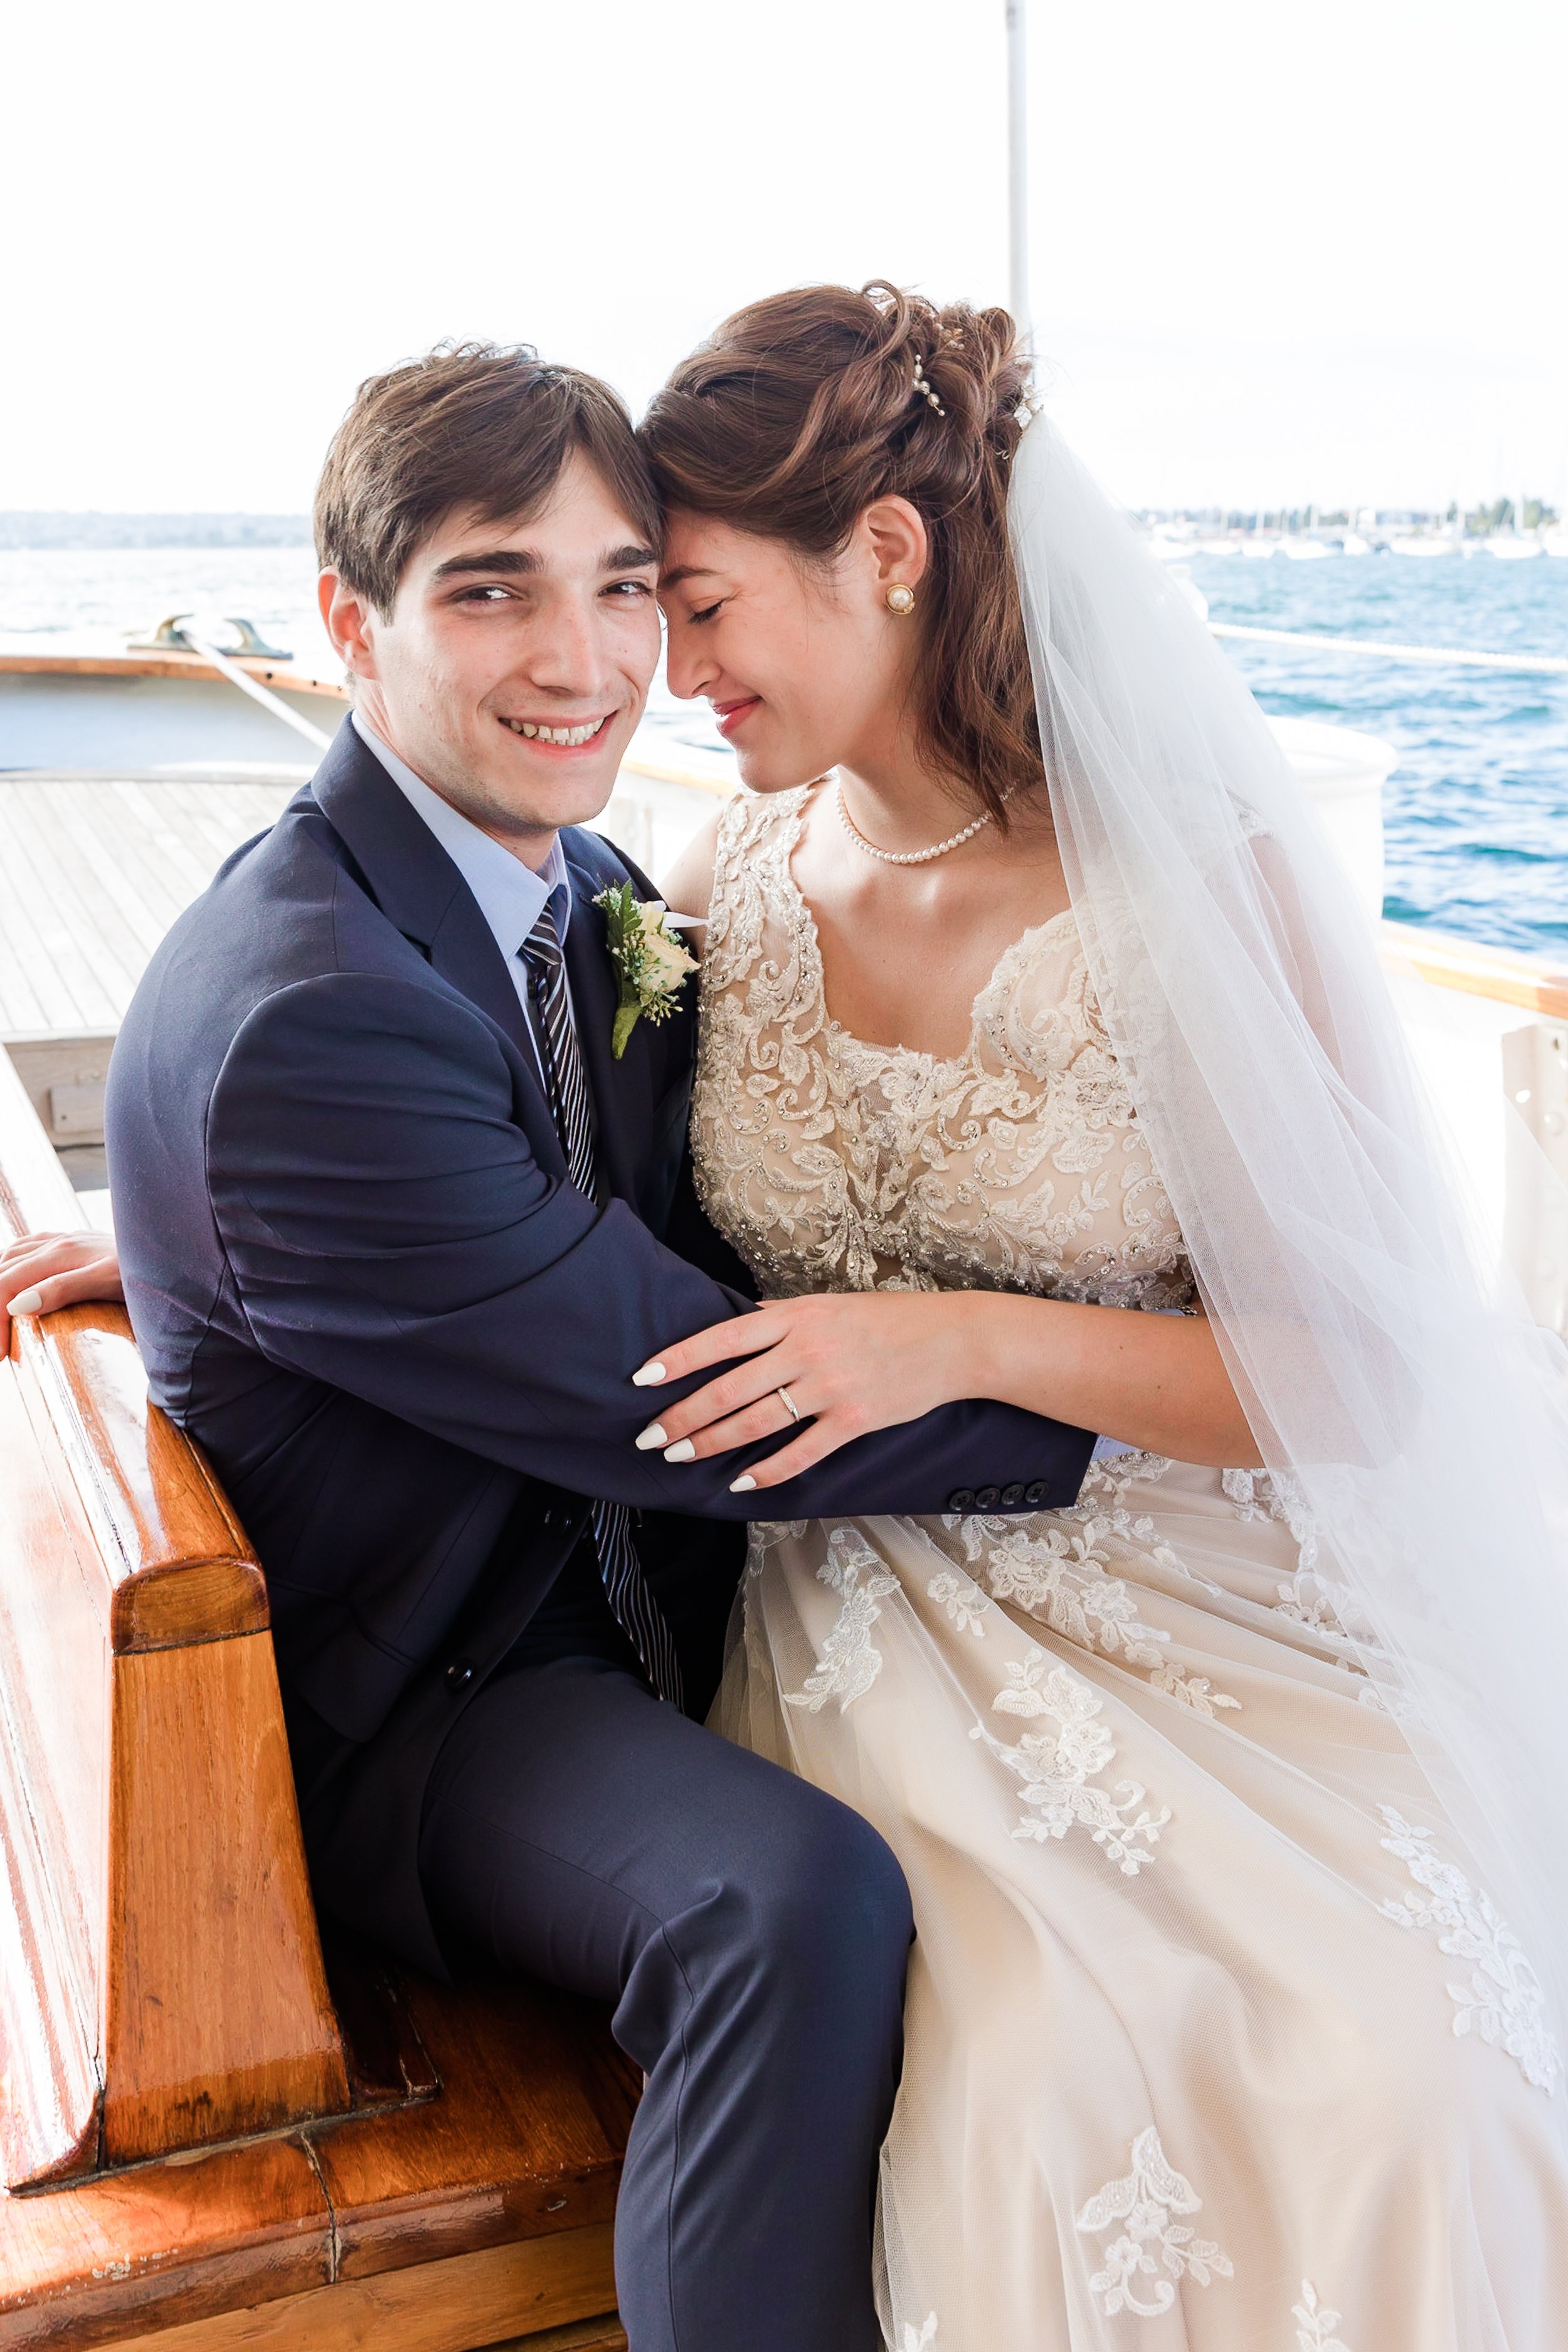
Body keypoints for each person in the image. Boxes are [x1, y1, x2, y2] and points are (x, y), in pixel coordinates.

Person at [0, 342, 1096, 2352]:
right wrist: (1124, 1402)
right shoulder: (310, 1024)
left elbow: (668, 1206)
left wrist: (163, 1236)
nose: (584, 658)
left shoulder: (565, 883)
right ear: (353, 619)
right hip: (436, 1691)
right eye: (491, 587)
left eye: (625, 586)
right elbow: (682, 1404)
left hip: (589, 1574)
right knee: (785, 1906)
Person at [619, 282, 1568, 2348]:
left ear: (882, 553)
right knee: (1039, 2067)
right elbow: (546, 1172)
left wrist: (947, 1335)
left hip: (1191, 1568)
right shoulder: (714, 875)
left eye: (698, 605)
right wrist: (218, 1236)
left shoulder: (1180, 887)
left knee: (1415, 2062)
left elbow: (1351, 1373)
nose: (663, 667)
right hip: (868, 1613)